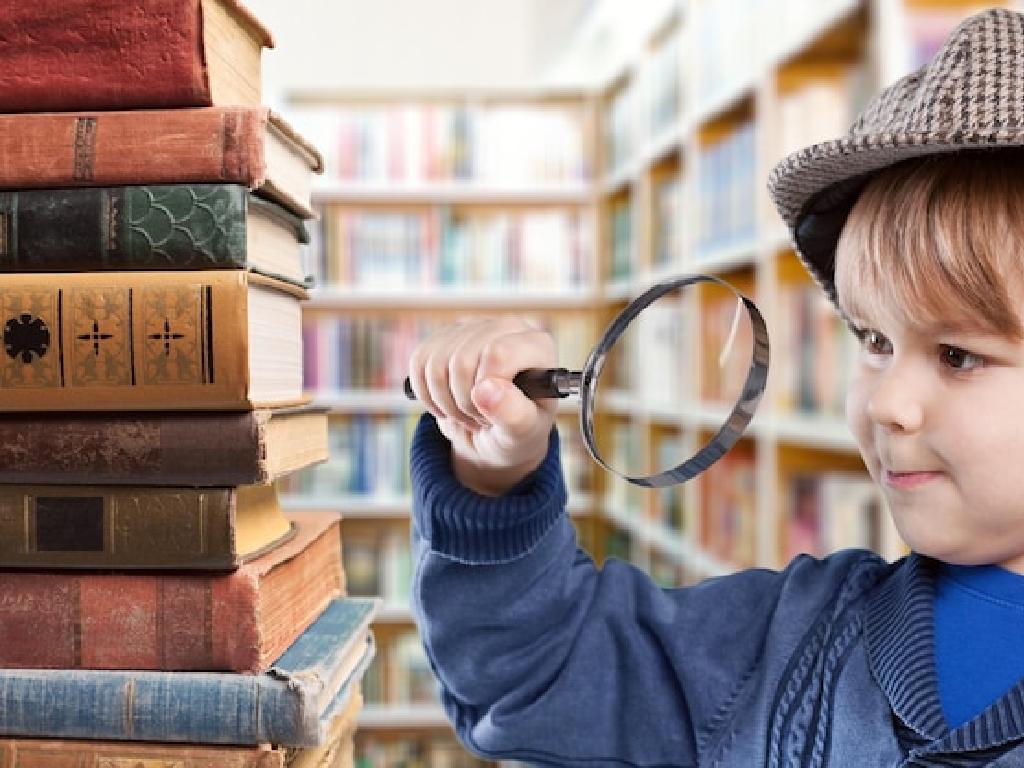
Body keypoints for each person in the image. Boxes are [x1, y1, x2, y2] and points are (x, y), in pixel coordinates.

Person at [405, 9, 1024, 766]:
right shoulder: (783, 639)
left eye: (958, 354)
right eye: (873, 340)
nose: (888, 404)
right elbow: (532, 676)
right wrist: (492, 481)